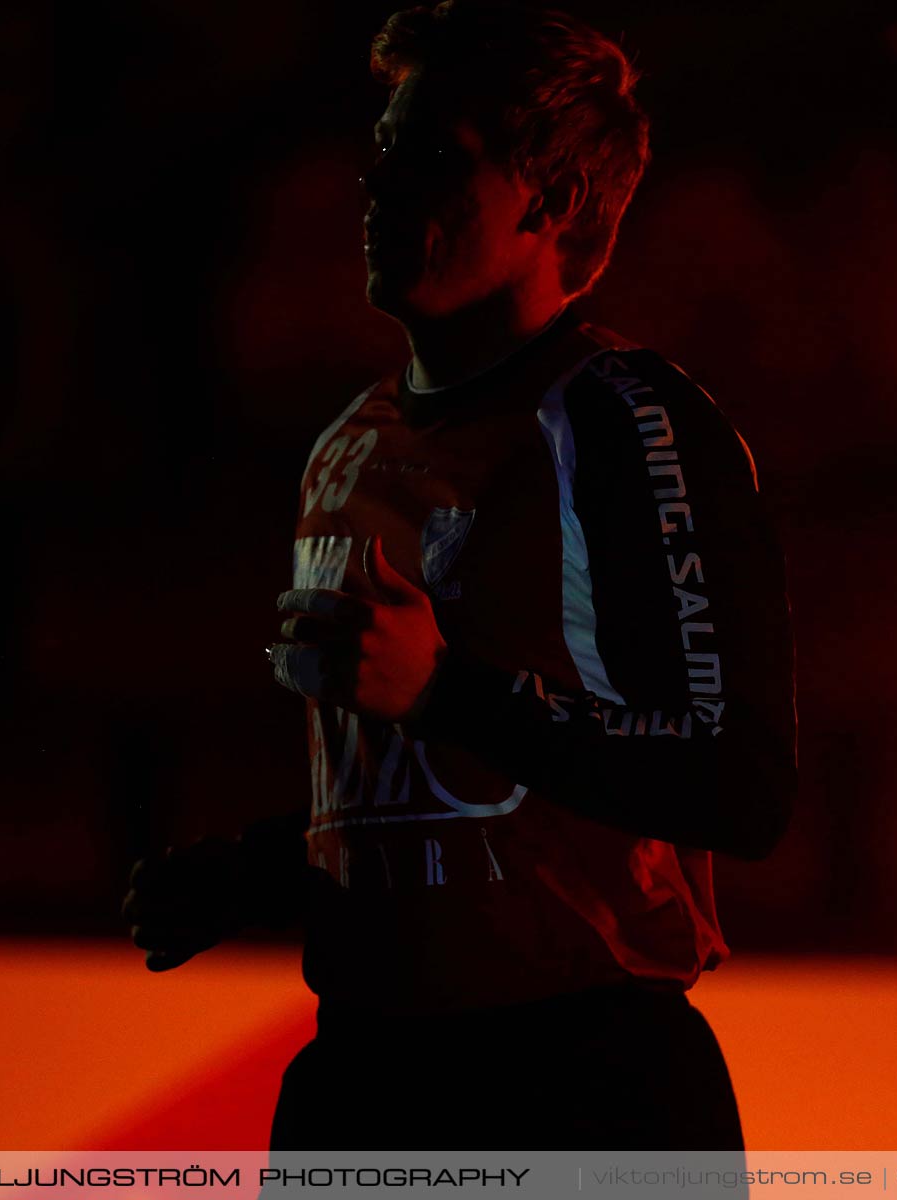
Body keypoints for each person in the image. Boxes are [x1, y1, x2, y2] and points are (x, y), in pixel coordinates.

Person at [122, 0, 798, 1152]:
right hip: (364, 1077)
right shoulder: (348, 440)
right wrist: (255, 873)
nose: (378, 187)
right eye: (384, 149)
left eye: (432, 157)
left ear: (557, 202)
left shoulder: (631, 428)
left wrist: (447, 691)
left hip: (581, 1089)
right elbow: (438, 806)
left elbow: (738, 784)